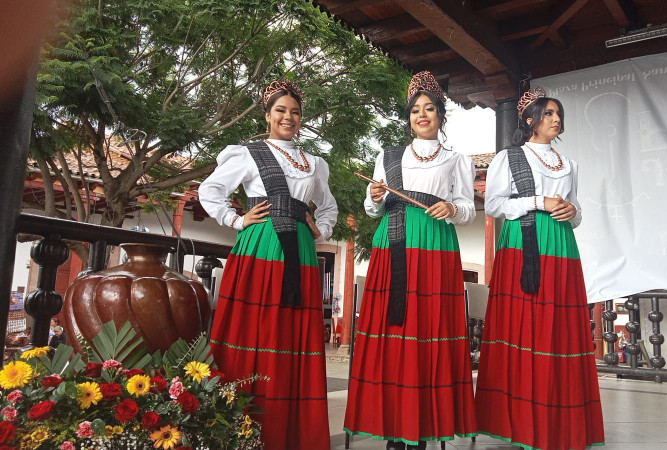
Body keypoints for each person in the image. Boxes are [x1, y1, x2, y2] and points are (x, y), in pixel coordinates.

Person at [198, 80, 337, 450]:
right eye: (280, 110)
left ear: (301, 118)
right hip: (260, 246)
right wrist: (235, 219)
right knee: (253, 328)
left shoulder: (315, 163)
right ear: (267, 115)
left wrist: (321, 229)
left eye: (295, 111)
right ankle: (239, 432)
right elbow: (210, 190)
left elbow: (328, 206)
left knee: (292, 332)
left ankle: (290, 433)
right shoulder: (247, 154)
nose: (288, 117)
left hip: (301, 253)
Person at [344, 71, 478, 449]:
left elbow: (468, 209)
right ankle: (393, 429)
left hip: (435, 245)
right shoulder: (388, 156)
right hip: (393, 244)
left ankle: (421, 428)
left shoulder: (457, 160)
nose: (422, 115)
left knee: (427, 333)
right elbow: (372, 210)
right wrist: (373, 197)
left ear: (440, 115)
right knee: (394, 332)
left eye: (429, 108)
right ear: (408, 117)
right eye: (415, 109)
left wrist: (452, 208)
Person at [475, 86, 605, 450]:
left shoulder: (569, 164)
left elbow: (575, 212)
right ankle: (519, 421)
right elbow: (494, 205)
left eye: (558, 114)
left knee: (558, 326)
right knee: (523, 325)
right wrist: (538, 202)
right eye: (548, 113)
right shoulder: (509, 157)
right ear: (530, 119)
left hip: (560, 244)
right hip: (522, 243)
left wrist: (571, 211)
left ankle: (559, 420)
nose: (556, 119)